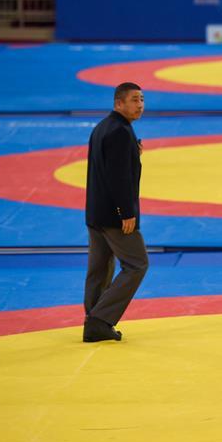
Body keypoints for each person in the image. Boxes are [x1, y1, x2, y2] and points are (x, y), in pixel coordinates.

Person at [83, 82, 149, 342]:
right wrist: (126, 212)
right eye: (134, 100)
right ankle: (100, 319)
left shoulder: (103, 127)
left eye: (142, 99)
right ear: (118, 103)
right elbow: (118, 177)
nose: (140, 105)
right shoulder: (121, 132)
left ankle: (93, 320)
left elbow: (106, 167)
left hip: (95, 213)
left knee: (99, 268)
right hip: (114, 216)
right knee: (137, 263)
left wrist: (134, 153)